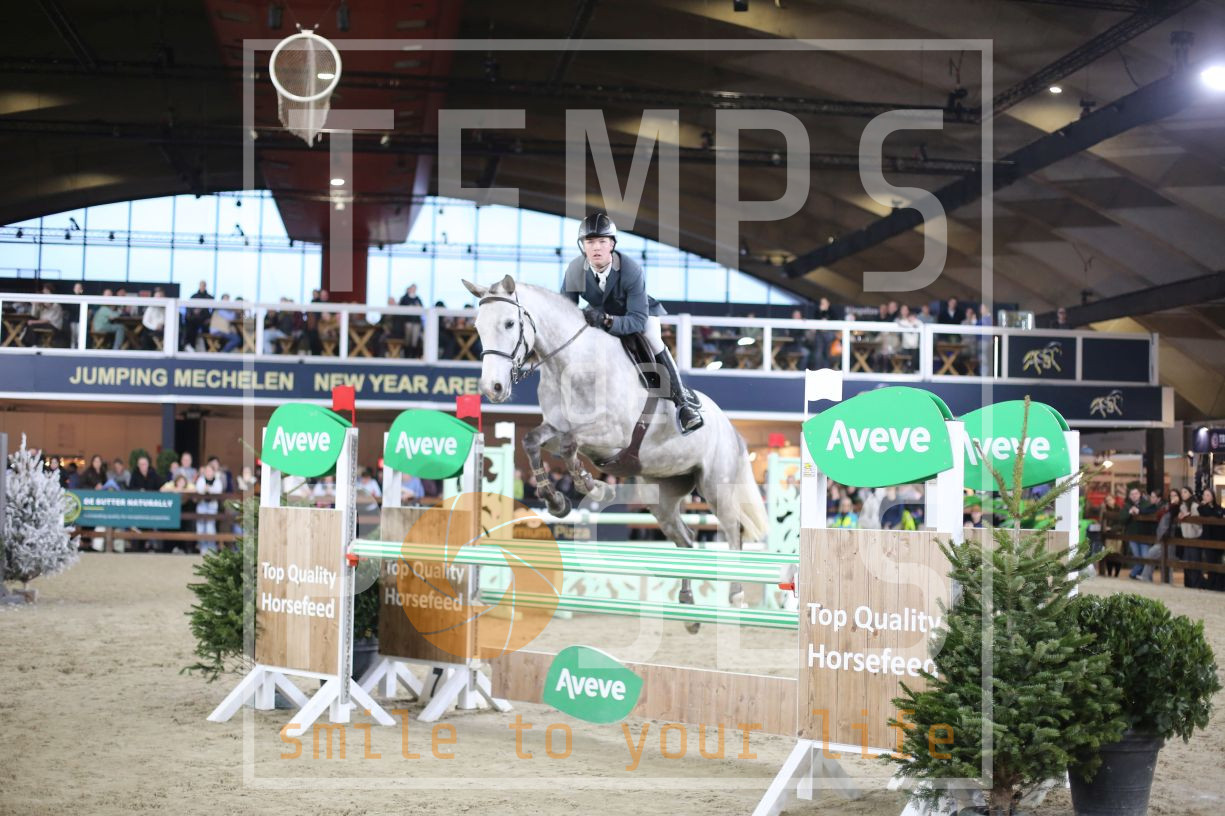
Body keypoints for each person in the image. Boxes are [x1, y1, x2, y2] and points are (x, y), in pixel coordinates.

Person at [562, 212, 703, 433]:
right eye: (590, 242)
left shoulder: (631, 269)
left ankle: (683, 404)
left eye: (602, 241)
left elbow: (637, 320)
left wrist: (608, 321)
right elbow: (565, 311)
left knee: (652, 338)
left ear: (612, 244)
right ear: (583, 246)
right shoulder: (574, 270)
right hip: (600, 315)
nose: (596, 247)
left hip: (638, 313)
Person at [1119, 486, 1156, 580]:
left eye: (1136, 493)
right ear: (1129, 496)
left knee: (1145, 557)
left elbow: (1152, 513)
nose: (1134, 496)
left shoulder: (1146, 504)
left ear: (1140, 494)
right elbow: (1121, 519)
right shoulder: (1126, 505)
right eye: (1132, 494)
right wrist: (1129, 513)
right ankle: (1137, 575)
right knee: (1137, 557)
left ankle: (1135, 574)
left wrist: (1139, 511)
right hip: (1132, 535)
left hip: (1145, 535)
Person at [194, 463, 225, 554]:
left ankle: (211, 549)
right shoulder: (201, 479)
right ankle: (203, 548)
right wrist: (205, 489)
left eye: (210, 471)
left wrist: (209, 489)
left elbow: (218, 491)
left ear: (213, 472)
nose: (208, 472)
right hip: (201, 505)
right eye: (206, 471)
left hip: (212, 505)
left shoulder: (217, 481)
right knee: (200, 528)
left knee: (210, 528)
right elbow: (199, 489)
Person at [1198, 489, 1225, 591]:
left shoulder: (1219, 508)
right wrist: (1203, 505)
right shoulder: (1202, 508)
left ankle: (1219, 586)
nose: (1205, 497)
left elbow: (1221, 514)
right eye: (1204, 495)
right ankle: (1211, 585)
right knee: (1211, 562)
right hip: (1209, 539)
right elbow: (1203, 512)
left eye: (1208, 495)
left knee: (1220, 562)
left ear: (1213, 496)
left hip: (1220, 539)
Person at [1178, 486, 1204, 589]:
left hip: (1194, 537)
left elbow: (1198, 524)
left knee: (1194, 563)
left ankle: (1196, 585)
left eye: (1185, 492)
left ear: (1190, 493)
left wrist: (1189, 517)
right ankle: (1188, 584)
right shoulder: (1183, 506)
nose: (1183, 494)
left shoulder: (1194, 506)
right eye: (1182, 492)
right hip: (1186, 538)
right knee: (1186, 562)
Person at [182, 280, 213, 351]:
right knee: (189, 326)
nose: (202, 287)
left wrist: (210, 319)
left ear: (205, 286)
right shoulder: (193, 296)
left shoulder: (210, 297)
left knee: (206, 329)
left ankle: (208, 349)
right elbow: (188, 308)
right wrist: (194, 311)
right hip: (194, 319)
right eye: (201, 285)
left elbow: (213, 310)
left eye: (204, 285)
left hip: (205, 320)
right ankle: (189, 346)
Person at [399, 284, 424, 356]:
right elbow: (401, 308)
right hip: (408, 321)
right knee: (408, 338)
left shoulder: (418, 298)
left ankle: (413, 355)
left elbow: (422, 308)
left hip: (416, 322)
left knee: (414, 340)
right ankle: (407, 355)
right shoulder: (405, 298)